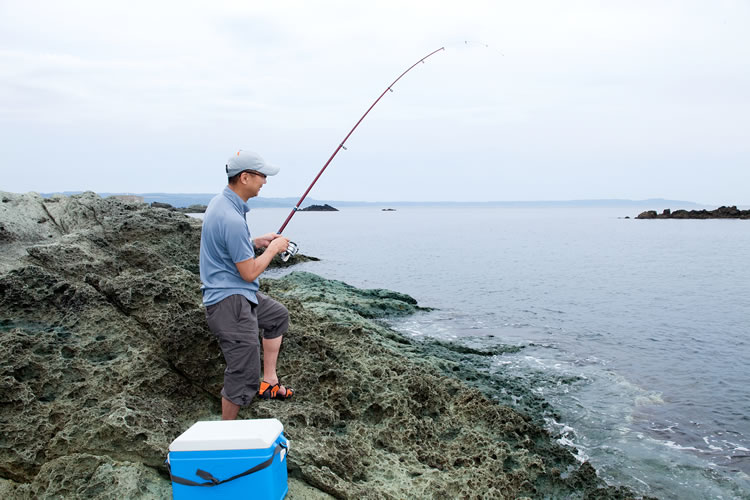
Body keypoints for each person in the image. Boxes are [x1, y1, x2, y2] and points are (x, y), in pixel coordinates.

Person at [199, 149, 295, 420]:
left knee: (277, 316)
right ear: (244, 178)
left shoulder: (222, 203)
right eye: (261, 176)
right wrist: (274, 249)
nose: (265, 181)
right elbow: (250, 273)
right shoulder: (231, 218)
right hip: (230, 303)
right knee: (242, 374)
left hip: (234, 294)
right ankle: (225, 436)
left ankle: (270, 381)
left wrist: (256, 242)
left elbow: (226, 247)